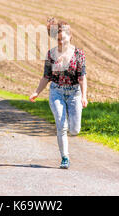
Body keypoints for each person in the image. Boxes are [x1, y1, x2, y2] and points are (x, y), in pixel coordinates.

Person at [29, 17, 88, 169]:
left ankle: (69, 126)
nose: (61, 42)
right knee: (61, 126)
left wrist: (84, 96)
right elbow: (46, 77)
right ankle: (65, 158)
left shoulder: (79, 54)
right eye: (58, 39)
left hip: (74, 93)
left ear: (70, 36)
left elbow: (82, 77)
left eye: (63, 39)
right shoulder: (51, 55)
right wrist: (36, 92)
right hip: (57, 92)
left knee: (74, 130)